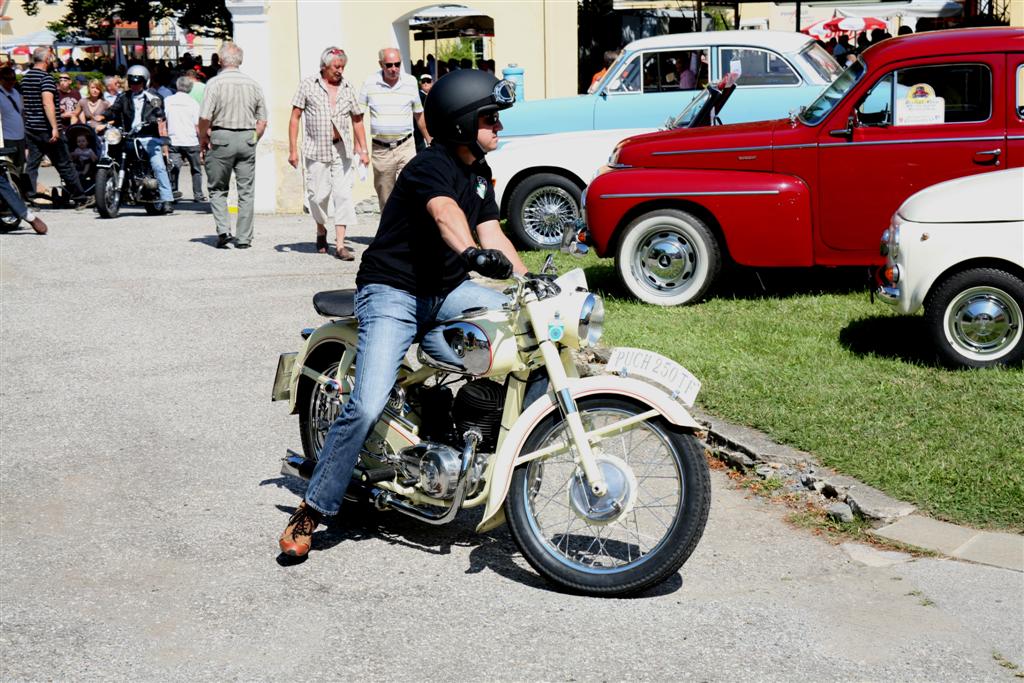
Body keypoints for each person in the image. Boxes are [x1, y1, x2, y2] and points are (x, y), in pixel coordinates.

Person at [278, 69, 527, 557]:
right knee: (368, 401)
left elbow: (492, 230)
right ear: (459, 123)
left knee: (519, 328)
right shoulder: (426, 168)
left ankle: (471, 434)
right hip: (392, 291)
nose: (498, 126)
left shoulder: (478, 173)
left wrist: (527, 283)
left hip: (446, 290)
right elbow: (444, 215)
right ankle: (314, 505)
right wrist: (470, 253)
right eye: (489, 118)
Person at [289, 46, 369, 260]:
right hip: (315, 149)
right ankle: (321, 228)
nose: (340, 70)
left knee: (343, 195)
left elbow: (357, 119)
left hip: (341, 148)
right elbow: (295, 117)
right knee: (317, 196)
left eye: (342, 66)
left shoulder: (347, 87)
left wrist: (363, 149)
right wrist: (292, 150)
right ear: (324, 66)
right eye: (336, 66)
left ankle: (340, 244)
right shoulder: (308, 85)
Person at [198, 42, 267, 249]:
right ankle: (244, 238)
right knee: (246, 191)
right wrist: (253, 138)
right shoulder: (253, 84)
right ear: (241, 61)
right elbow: (262, 120)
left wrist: (203, 136)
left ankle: (224, 230)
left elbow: (204, 116)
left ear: (220, 61)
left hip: (221, 137)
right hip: (247, 137)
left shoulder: (215, 83)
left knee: (218, 188)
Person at [358, 47, 430, 211]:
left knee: (412, 188)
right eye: (389, 65)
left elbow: (419, 114)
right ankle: (389, 233)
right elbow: (357, 117)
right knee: (386, 196)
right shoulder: (370, 83)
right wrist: (361, 148)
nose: (394, 69)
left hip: (406, 145)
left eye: (397, 64)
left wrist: (429, 139)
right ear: (381, 64)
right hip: (381, 149)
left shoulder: (410, 82)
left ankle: (409, 233)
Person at [21, 47, 90, 206]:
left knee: (32, 164)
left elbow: (27, 104)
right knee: (65, 164)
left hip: (32, 127)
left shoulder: (25, 78)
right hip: (47, 129)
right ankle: (80, 198)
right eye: (51, 58)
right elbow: (47, 102)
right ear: (46, 60)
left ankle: (29, 197)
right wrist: (54, 127)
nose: (53, 61)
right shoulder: (46, 78)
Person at [106, 64, 175, 212]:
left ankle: (167, 198)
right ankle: (107, 194)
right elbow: (114, 110)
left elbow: (159, 110)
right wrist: (102, 116)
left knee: (158, 166)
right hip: (128, 137)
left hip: (148, 137)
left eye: (138, 82)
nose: (135, 85)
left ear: (145, 82)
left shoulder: (153, 97)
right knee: (112, 156)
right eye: (132, 82)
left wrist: (158, 115)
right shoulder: (123, 97)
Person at [165, 75, 205, 203]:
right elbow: (197, 125)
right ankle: (198, 195)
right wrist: (202, 142)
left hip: (173, 139)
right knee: (196, 170)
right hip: (190, 140)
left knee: (173, 168)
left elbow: (163, 121)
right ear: (190, 88)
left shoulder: (168, 101)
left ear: (177, 86)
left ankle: (172, 192)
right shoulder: (193, 103)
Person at [0, 66, 25, 176]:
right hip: (7, 137)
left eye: (13, 79)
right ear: (1, 79)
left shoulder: (16, 92)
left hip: (20, 136)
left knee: (20, 166)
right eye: (7, 79)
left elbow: (22, 110)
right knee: (9, 166)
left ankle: (19, 188)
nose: (11, 82)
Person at [413, 73, 432, 152]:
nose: (426, 84)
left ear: (432, 82)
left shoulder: (430, 95)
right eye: (423, 81)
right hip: (420, 133)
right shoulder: (419, 96)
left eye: (428, 81)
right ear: (420, 83)